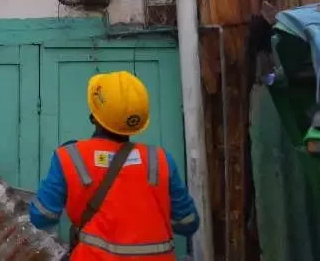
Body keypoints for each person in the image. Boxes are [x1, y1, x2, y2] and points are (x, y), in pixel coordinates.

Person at [28, 71, 199, 260]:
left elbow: (41, 217)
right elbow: (188, 223)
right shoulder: (159, 159)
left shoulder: (70, 156)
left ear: (94, 116)